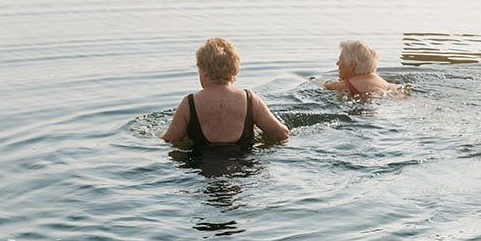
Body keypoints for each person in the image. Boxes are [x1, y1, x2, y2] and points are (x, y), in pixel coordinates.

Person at [161, 37, 291, 147]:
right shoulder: (250, 99)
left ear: (203, 71)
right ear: (234, 69)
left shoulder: (189, 103)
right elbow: (281, 134)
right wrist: (263, 142)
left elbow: (169, 140)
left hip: (201, 165)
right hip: (243, 164)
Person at [322, 39, 401, 97]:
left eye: (340, 60)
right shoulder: (388, 85)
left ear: (352, 65)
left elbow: (322, 85)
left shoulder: (344, 85)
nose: (337, 63)